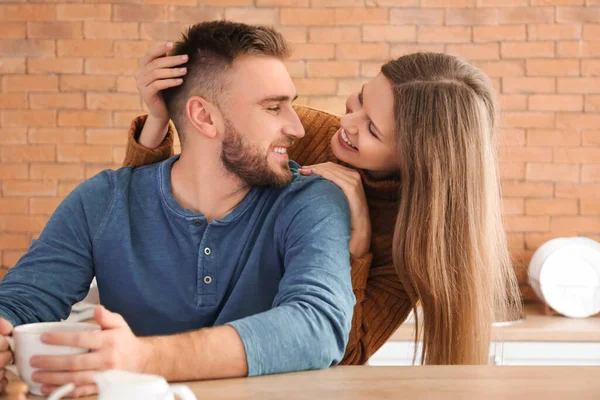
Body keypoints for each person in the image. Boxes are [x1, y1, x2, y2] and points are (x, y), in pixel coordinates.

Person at [0, 21, 355, 397]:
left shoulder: (311, 200)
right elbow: (23, 302)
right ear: (204, 117)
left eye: (290, 105)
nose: (297, 128)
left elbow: (318, 325)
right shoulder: (102, 200)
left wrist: (144, 357)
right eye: (273, 107)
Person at [126, 41, 523, 366]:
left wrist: (359, 244)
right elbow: (154, 208)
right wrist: (161, 120)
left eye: (371, 129)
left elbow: (345, 359)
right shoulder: (306, 132)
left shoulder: (410, 242)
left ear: (414, 162)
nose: (346, 123)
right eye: (360, 100)